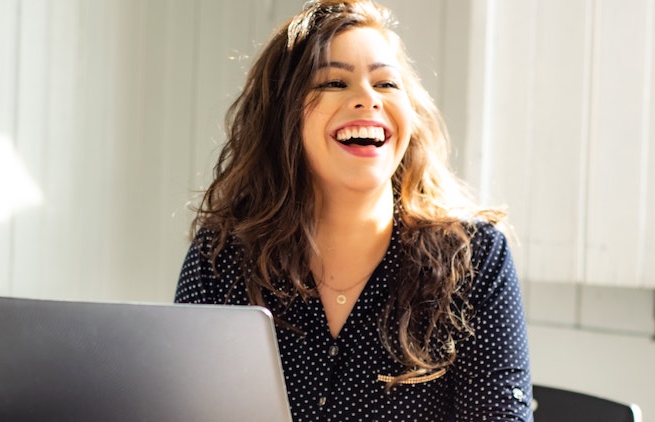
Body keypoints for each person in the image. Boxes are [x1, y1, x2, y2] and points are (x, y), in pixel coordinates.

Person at [174, 0, 532, 420]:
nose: (368, 99)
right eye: (334, 83)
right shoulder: (223, 256)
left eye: (386, 83)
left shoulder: (474, 260)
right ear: (283, 116)